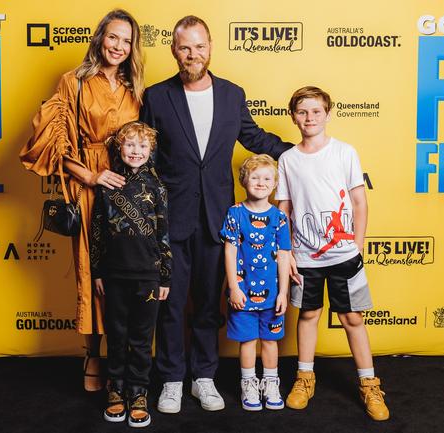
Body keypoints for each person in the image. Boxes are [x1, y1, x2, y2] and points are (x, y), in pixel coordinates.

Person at [139, 15, 292, 413]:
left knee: (209, 301)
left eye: (199, 46)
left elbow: (254, 137)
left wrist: (299, 152)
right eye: (184, 47)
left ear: (211, 47)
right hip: (171, 218)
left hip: (219, 219)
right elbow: (145, 157)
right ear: (174, 50)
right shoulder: (156, 97)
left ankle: (203, 377)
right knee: (171, 304)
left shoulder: (231, 94)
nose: (193, 54)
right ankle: (171, 379)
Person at [19, 9, 144, 392]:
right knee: (92, 271)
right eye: (113, 38)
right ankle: (92, 355)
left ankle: (123, 361)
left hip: (128, 184)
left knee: (125, 272)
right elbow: (55, 137)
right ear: (99, 38)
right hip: (90, 184)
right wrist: (89, 175)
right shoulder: (73, 81)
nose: (119, 47)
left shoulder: (135, 86)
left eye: (126, 41)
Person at [276, 86, 390, 421]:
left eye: (315, 111)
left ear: (327, 113)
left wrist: (359, 241)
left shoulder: (344, 152)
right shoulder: (288, 159)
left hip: (342, 254)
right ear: (293, 116)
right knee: (308, 315)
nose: (309, 118)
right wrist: (286, 251)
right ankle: (304, 378)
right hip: (305, 256)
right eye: (302, 112)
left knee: (352, 318)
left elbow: (359, 201)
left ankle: (369, 384)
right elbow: (284, 209)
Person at [90, 121, 171, 428]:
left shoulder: (158, 187)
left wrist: (165, 277)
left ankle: (138, 392)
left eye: (142, 146)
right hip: (114, 274)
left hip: (148, 275)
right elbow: (97, 230)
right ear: (119, 148)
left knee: (141, 337)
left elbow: (164, 233)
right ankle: (116, 388)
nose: (135, 151)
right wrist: (97, 270)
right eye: (129, 145)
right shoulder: (108, 184)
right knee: (117, 334)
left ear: (150, 150)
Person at [219, 155, 291, 411]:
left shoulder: (280, 218)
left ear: (274, 185)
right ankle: (248, 383)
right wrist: (234, 287)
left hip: (272, 294)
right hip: (243, 293)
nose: (261, 182)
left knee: (270, 341)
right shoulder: (235, 213)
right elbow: (230, 251)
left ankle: (271, 382)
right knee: (248, 340)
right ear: (244, 180)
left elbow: (283, 256)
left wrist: (283, 292)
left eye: (267, 178)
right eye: (255, 177)